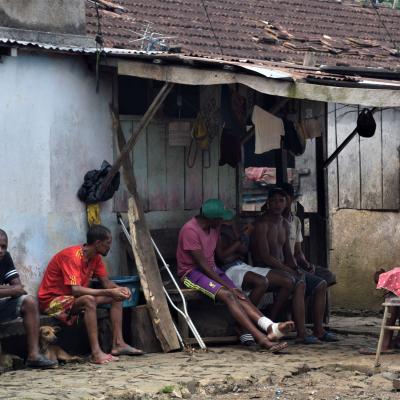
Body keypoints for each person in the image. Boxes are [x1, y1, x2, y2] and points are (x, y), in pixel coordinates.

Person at [177, 198, 293, 352]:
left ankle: (269, 326)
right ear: (212, 219)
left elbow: (213, 263)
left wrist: (230, 286)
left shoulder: (213, 228)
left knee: (239, 294)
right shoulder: (189, 230)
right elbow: (203, 266)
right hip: (192, 273)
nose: (222, 223)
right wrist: (226, 286)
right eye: (220, 219)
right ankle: (261, 338)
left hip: (212, 270)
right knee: (229, 295)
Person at [38, 224, 144, 364]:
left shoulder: (96, 258)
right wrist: (108, 291)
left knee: (116, 296)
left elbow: (106, 283)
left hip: (73, 300)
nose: (109, 247)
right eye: (107, 244)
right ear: (98, 243)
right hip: (51, 302)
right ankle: (96, 353)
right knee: (89, 300)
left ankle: (118, 344)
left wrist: (120, 289)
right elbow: (76, 290)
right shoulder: (72, 256)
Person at [281, 182, 338, 343]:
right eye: (277, 200)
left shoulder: (296, 221)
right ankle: (301, 333)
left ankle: (318, 329)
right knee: (301, 282)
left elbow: (297, 252)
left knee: (322, 282)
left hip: (294, 265)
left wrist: (307, 265)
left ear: (291, 200)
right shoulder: (273, 222)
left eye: (284, 199)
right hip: (282, 267)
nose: (281, 203)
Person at [216, 216, 293, 321]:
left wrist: (238, 234)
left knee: (288, 280)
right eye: (225, 219)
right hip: (228, 270)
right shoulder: (216, 232)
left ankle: (270, 319)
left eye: (229, 219)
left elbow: (242, 250)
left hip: (241, 265)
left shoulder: (232, 229)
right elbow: (223, 258)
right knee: (262, 282)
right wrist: (240, 241)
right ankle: (244, 323)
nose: (227, 221)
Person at [0, 229, 57, 368]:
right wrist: (11, 290)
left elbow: (19, 288)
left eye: (4, 246)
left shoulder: (5, 257)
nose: (1, 250)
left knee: (29, 301)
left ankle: (34, 356)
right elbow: (15, 289)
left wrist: (6, 290)